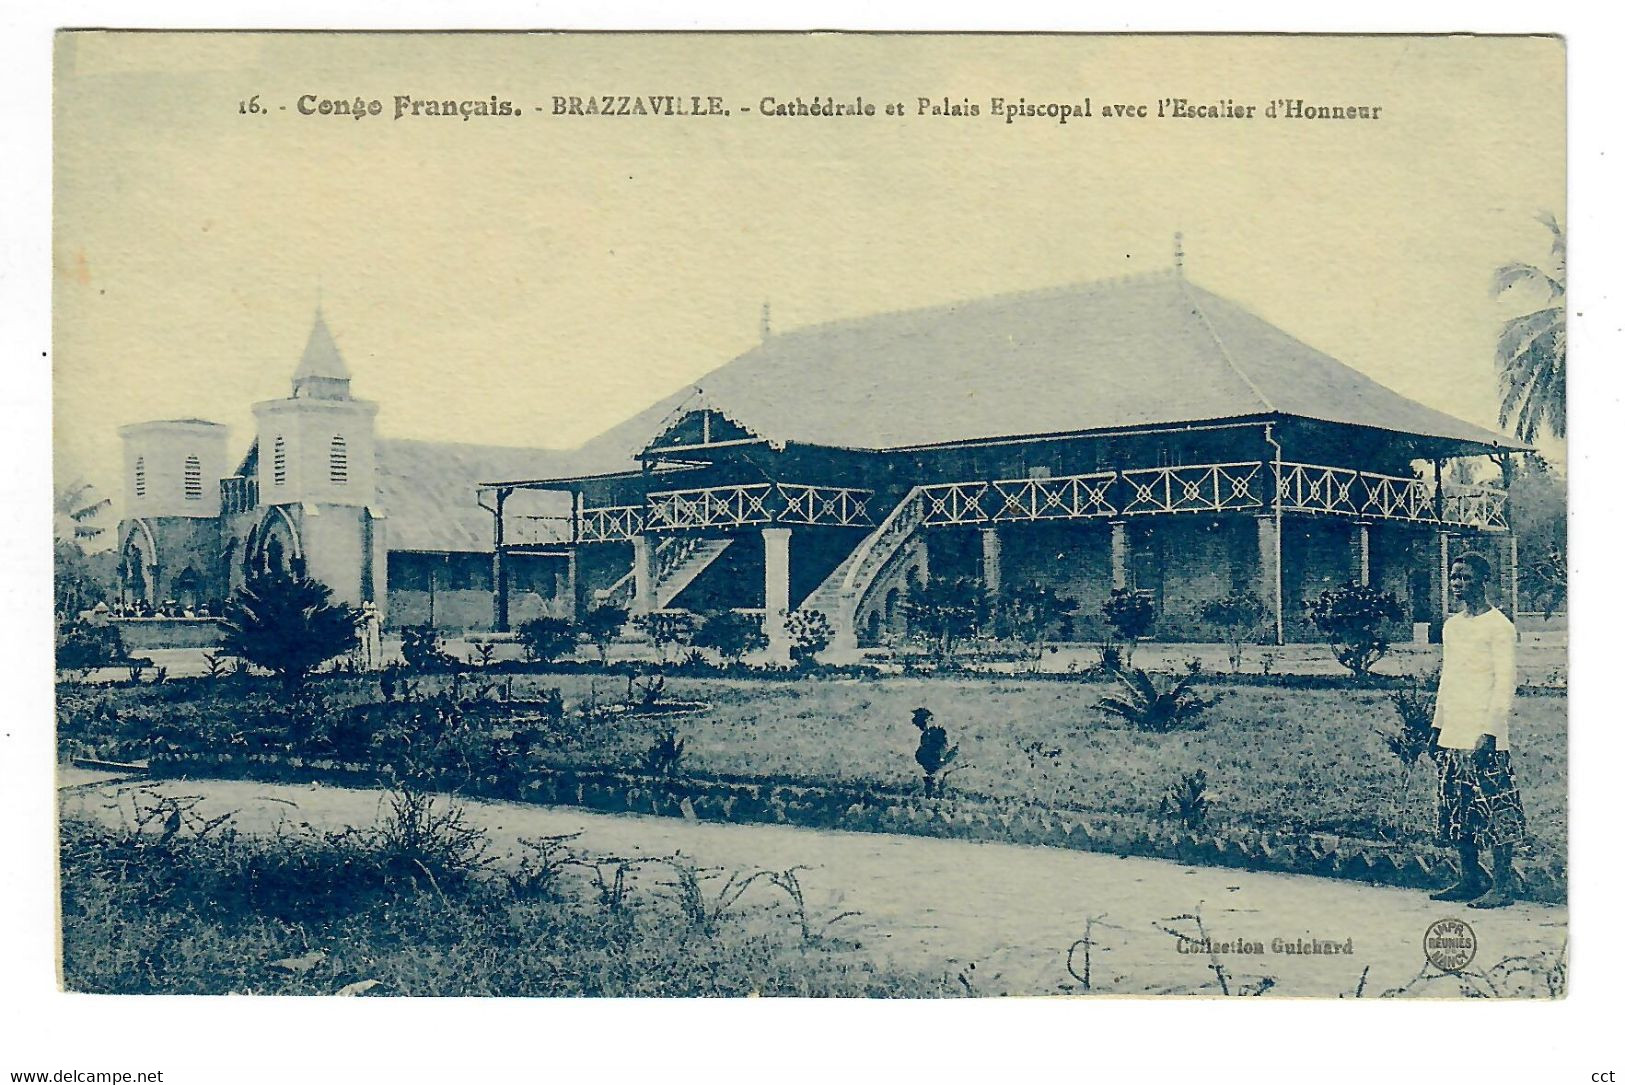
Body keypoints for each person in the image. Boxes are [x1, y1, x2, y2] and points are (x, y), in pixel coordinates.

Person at [1428, 551, 1526, 908]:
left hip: (1485, 734)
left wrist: (1490, 731)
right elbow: (1448, 678)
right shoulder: (1452, 626)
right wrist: (1437, 726)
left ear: (1484, 581)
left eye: (1467, 577)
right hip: (1454, 729)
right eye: (1454, 577)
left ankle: (1503, 885)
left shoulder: (1499, 626)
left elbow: (1505, 683)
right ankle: (1469, 877)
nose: (1458, 584)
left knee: (1495, 806)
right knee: (1456, 807)